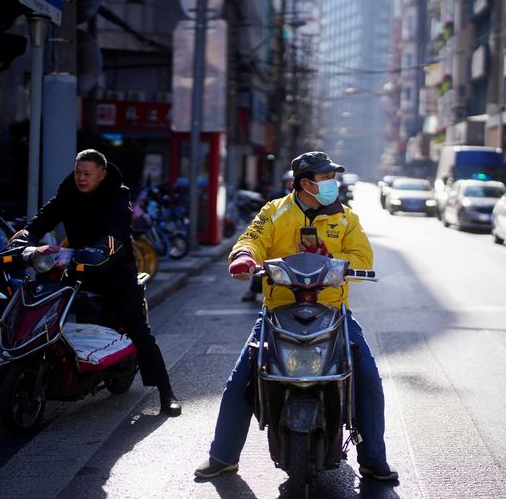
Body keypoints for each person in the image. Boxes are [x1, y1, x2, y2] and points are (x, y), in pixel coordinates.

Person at [195, 151, 398, 481]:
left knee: (368, 377)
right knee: (241, 377)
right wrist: (244, 257)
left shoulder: (346, 218)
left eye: (333, 177)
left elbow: (362, 255)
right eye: (326, 178)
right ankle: (223, 456)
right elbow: (253, 238)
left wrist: (331, 256)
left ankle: (373, 458)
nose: (333, 183)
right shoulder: (274, 212)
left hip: (333, 311)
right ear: (305, 183)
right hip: (279, 311)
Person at [21, 149, 181, 416]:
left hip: (115, 269)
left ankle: (166, 392)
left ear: (101, 174)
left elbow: (115, 233)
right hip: (77, 265)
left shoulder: (118, 195)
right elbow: (43, 219)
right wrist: (25, 236)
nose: (81, 178)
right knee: (41, 303)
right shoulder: (68, 192)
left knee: (139, 329)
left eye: (87, 174)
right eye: (77, 172)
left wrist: (101, 249)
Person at [240, 170, 295, 303]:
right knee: (264, 267)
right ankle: (253, 291)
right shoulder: (276, 198)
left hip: (293, 239)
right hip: (274, 236)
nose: (292, 184)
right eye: (289, 182)